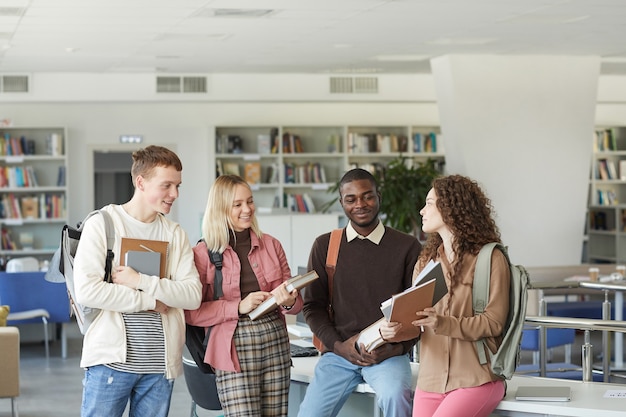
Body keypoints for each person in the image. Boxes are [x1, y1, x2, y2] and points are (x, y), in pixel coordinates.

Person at [73, 145, 202, 417]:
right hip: (110, 363)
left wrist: (140, 280)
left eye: (178, 186)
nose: (174, 194)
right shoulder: (103, 223)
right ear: (140, 182)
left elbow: (191, 295)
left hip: (159, 367)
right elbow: (87, 291)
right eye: (166, 185)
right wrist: (150, 301)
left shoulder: (174, 233)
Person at [380, 174, 510, 417]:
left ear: (451, 207)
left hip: (476, 379)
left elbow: (494, 322)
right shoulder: (425, 261)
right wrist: (395, 330)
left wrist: (443, 323)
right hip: (430, 382)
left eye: (429, 203)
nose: (421, 210)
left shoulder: (490, 259)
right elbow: (417, 325)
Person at [298, 168, 422, 417]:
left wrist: (396, 349)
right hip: (339, 353)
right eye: (351, 199)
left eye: (367, 196)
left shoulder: (407, 246)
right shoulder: (325, 245)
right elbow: (313, 306)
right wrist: (338, 346)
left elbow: (417, 312)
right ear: (342, 202)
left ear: (379, 197)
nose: (360, 204)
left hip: (387, 354)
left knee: (396, 398)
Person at [185, 174, 302, 417]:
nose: (247, 209)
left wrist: (289, 301)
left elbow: (296, 303)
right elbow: (191, 313)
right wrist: (238, 306)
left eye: (250, 201)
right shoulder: (203, 253)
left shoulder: (271, 245)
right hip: (232, 346)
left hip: (275, 341)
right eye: (237, 205)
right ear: (220, 208)